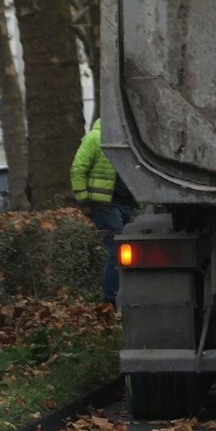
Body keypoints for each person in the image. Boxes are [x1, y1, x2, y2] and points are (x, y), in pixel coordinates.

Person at [71, 122, 135, 306]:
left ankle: (119, 298)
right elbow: (77, 169)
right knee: (118, 251)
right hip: (105, 205)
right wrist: (84, 202)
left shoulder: (127, 138)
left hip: (125, 203)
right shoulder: (94, 138)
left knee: (124, 252)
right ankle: (110, 301)